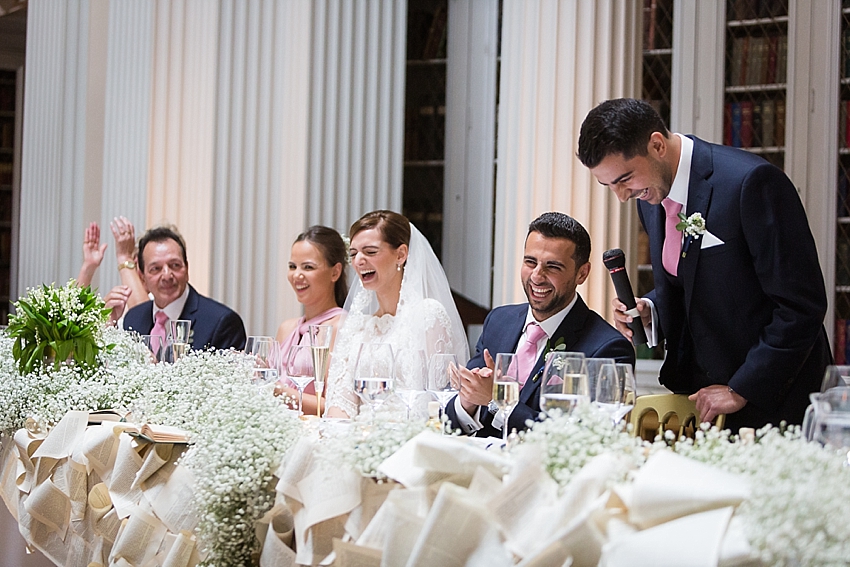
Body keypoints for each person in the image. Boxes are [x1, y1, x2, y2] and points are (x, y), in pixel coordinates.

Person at [577, 98, 831, 431]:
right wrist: (652, 310)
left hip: (775, 402)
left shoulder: (751, 183)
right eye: (607, 185)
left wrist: (743, 388)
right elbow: (693, 282)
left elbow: (801, 305)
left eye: (624, 179)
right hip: (703, 403)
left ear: (656, 145)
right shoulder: (650, 198)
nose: (621, 196)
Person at [446, 212, 635, 437]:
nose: (537, 276)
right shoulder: (499, 321)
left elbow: (583, 438)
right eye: (530, 262)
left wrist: (497, 401)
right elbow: (450, 422)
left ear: (582, 273)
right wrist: (468, 399)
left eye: (553, 266)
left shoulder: (608, 348)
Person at [324, 210, 469, 418]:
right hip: (358, 439)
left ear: (401, 254)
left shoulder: (427, 315)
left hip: (407, 439)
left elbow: (431, 402)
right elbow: (340, 401)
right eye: (354, 254)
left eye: (370, 252)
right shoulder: (358, 327)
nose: (358, 261)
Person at [122, 225, 247, 351]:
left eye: (175, 265)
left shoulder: (222, 323)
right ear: (142, 277)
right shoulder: (133, 319)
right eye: (156, 269)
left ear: (187, 269)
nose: (167, 276)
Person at [274, 226, 348, 415]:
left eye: (308, 267)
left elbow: (335, 404)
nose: (297, 275)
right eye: (292, 266)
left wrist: (279, 392)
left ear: (335, 272)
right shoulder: (286, 328)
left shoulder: (340, 327)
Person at [77, 216, 149, 316]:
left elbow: (142, 318)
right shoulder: (120, 298)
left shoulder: (160, 303)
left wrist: (125, 257)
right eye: (134, 262)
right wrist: (88, 267)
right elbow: (72, 316)